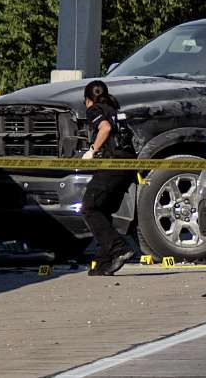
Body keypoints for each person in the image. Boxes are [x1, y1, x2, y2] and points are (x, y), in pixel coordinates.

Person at [80, 80, 137, 276]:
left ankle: (119, 248)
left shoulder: (94, 109)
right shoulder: (114, 108)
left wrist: (92, 150)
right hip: (128, 165)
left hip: (113, 163)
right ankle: (104, 261)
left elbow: (104, 129)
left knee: (89, 207)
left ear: (87, 100)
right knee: (103, 210)